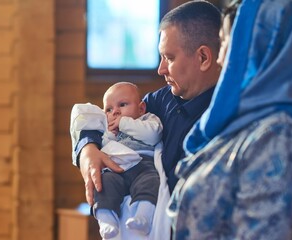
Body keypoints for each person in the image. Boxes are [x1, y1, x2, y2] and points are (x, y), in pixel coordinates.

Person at [167, 0, 292, 239]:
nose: (220, 59)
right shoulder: (242, 121)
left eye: (227, 43)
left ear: (255, 47)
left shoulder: (279, 133)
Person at [73, 0, 222, 207]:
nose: (161, 69)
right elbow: (104, 119)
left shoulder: (227, 120)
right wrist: (87, 150)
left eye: (169, 58)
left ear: (203, 57)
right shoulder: (163, 99)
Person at [70, 82, 163, 238]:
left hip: (143, 162)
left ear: (141, 108)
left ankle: (143, 215)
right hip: (116, 165)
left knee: (151, 181)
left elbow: (153, 135)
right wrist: (110, 134)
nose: (115, 112)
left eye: (122, 105)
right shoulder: (108, 130)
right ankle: (106, 220)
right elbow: (102, 148)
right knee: (104, 184)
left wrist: (124, 123)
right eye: (109, 109)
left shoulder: (148, 119)